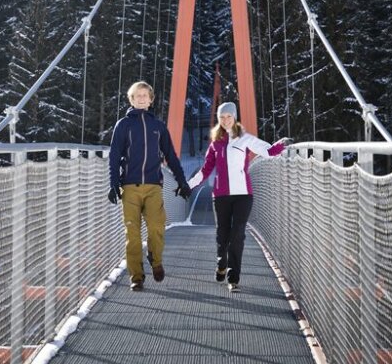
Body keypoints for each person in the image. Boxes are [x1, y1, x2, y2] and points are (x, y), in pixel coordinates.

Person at [187, 101, 291, 293]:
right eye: (222, 117)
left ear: (234, 117)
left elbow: (267, 151)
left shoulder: (245, 139)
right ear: (219, 120)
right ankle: (221, 262)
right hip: (221, 196)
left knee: (238, 234)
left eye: (229, 116)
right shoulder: (215, 144)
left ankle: (233, 278)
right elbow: (205, 170)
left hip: (243, 195)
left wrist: (281, 146)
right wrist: (188, 186)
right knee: (222, 234)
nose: (225, 120)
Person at [107, 81, 192, 291]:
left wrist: (182, 181)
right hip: (130, 188)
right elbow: (115, 155)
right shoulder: (123, 125)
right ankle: (136, 276)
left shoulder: (158, 127)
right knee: (132, 235)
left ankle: (155, 259)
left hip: (154, 186)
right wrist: (113, 183)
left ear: (151, 99)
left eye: (145, 95)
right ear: (132, 99)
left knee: (156, 228)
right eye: (137, 95)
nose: (142, 98)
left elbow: (171, 156)